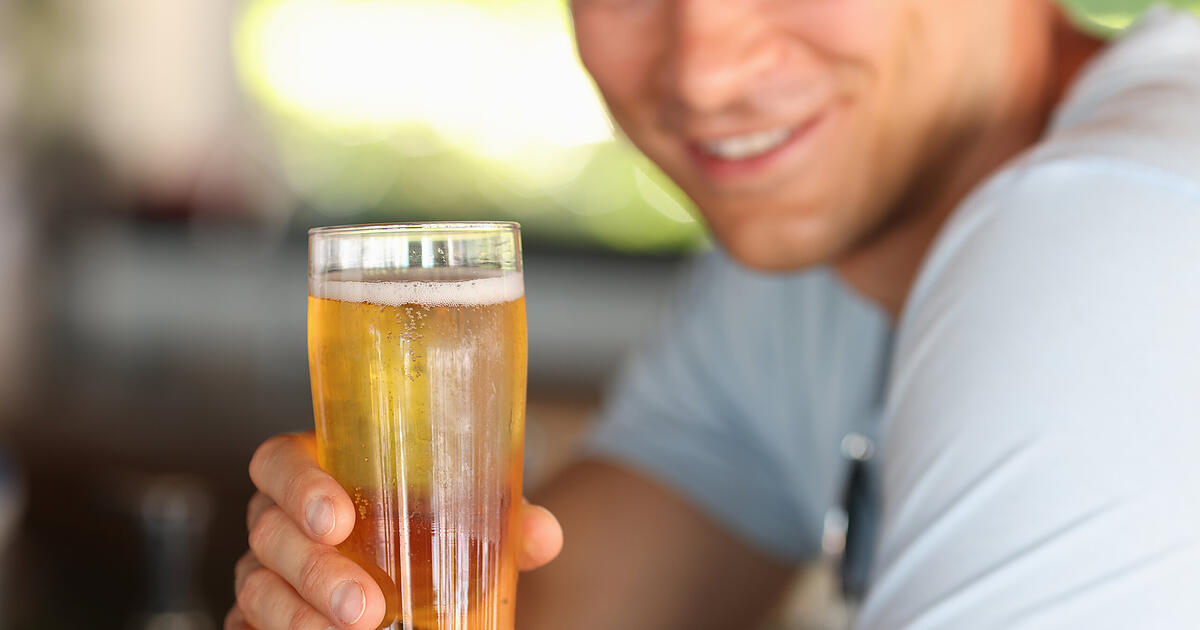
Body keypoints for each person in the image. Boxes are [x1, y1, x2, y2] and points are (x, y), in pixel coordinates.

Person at [227, 0, 1200, 628]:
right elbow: (558, 604)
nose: (701, 70)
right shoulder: (806, 267)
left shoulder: (1118, 231)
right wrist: (346, 596)